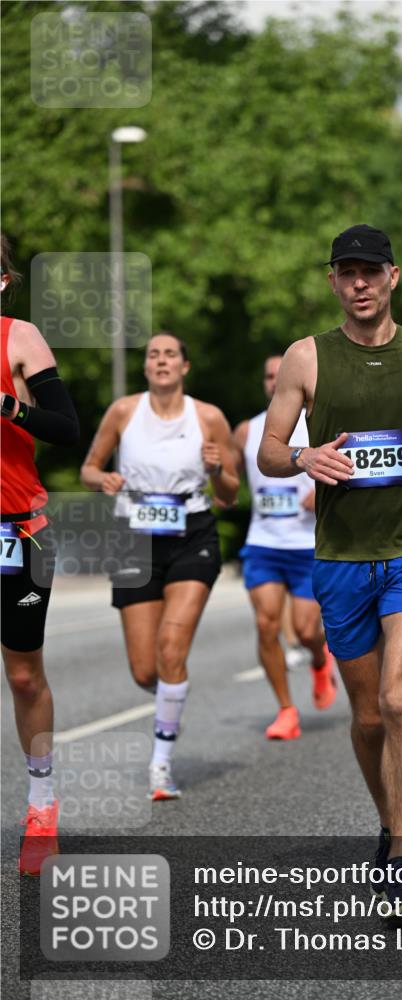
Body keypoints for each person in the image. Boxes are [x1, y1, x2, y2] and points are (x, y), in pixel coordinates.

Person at [257, 224, 402, 915]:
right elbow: (267, 449)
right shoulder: (305, 358)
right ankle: (390, 821)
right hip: (340, 558)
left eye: (370, 272)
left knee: (397, 699)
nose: (358, 283)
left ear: (392, 278)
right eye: (345, 272)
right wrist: (303, 457)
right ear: (333, 281)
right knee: (365, 717)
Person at [80, 331, 238, 800]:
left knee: (171, 650)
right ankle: (172, 696)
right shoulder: (124, 411)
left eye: (171, 354)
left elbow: (228, 496)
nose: (162, 361)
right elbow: (89, 466)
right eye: (154, 355)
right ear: (146, 367)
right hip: (134, 538)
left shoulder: (208, 417)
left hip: (192, 534)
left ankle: (160, 765)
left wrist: (215, 471)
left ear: (184, 367)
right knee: (145, 670)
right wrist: (101, 479)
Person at [1, 234, 79, 874]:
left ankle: (42, 803)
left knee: (23, 673)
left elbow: (65, 427)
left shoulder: (18, 338)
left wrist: (7, 405)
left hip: (17, 532)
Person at [233, 354, 336, 740]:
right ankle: (286, 709)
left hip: (307, 545)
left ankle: (318, 660)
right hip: (263, 543)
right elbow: (228, 474)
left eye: (280, 375)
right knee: (265, 625)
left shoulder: (317, 428)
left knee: (307, 629)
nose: (274, 381)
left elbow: (352, 470)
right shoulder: (248, 431)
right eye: (268, 376)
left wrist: (323, 491)